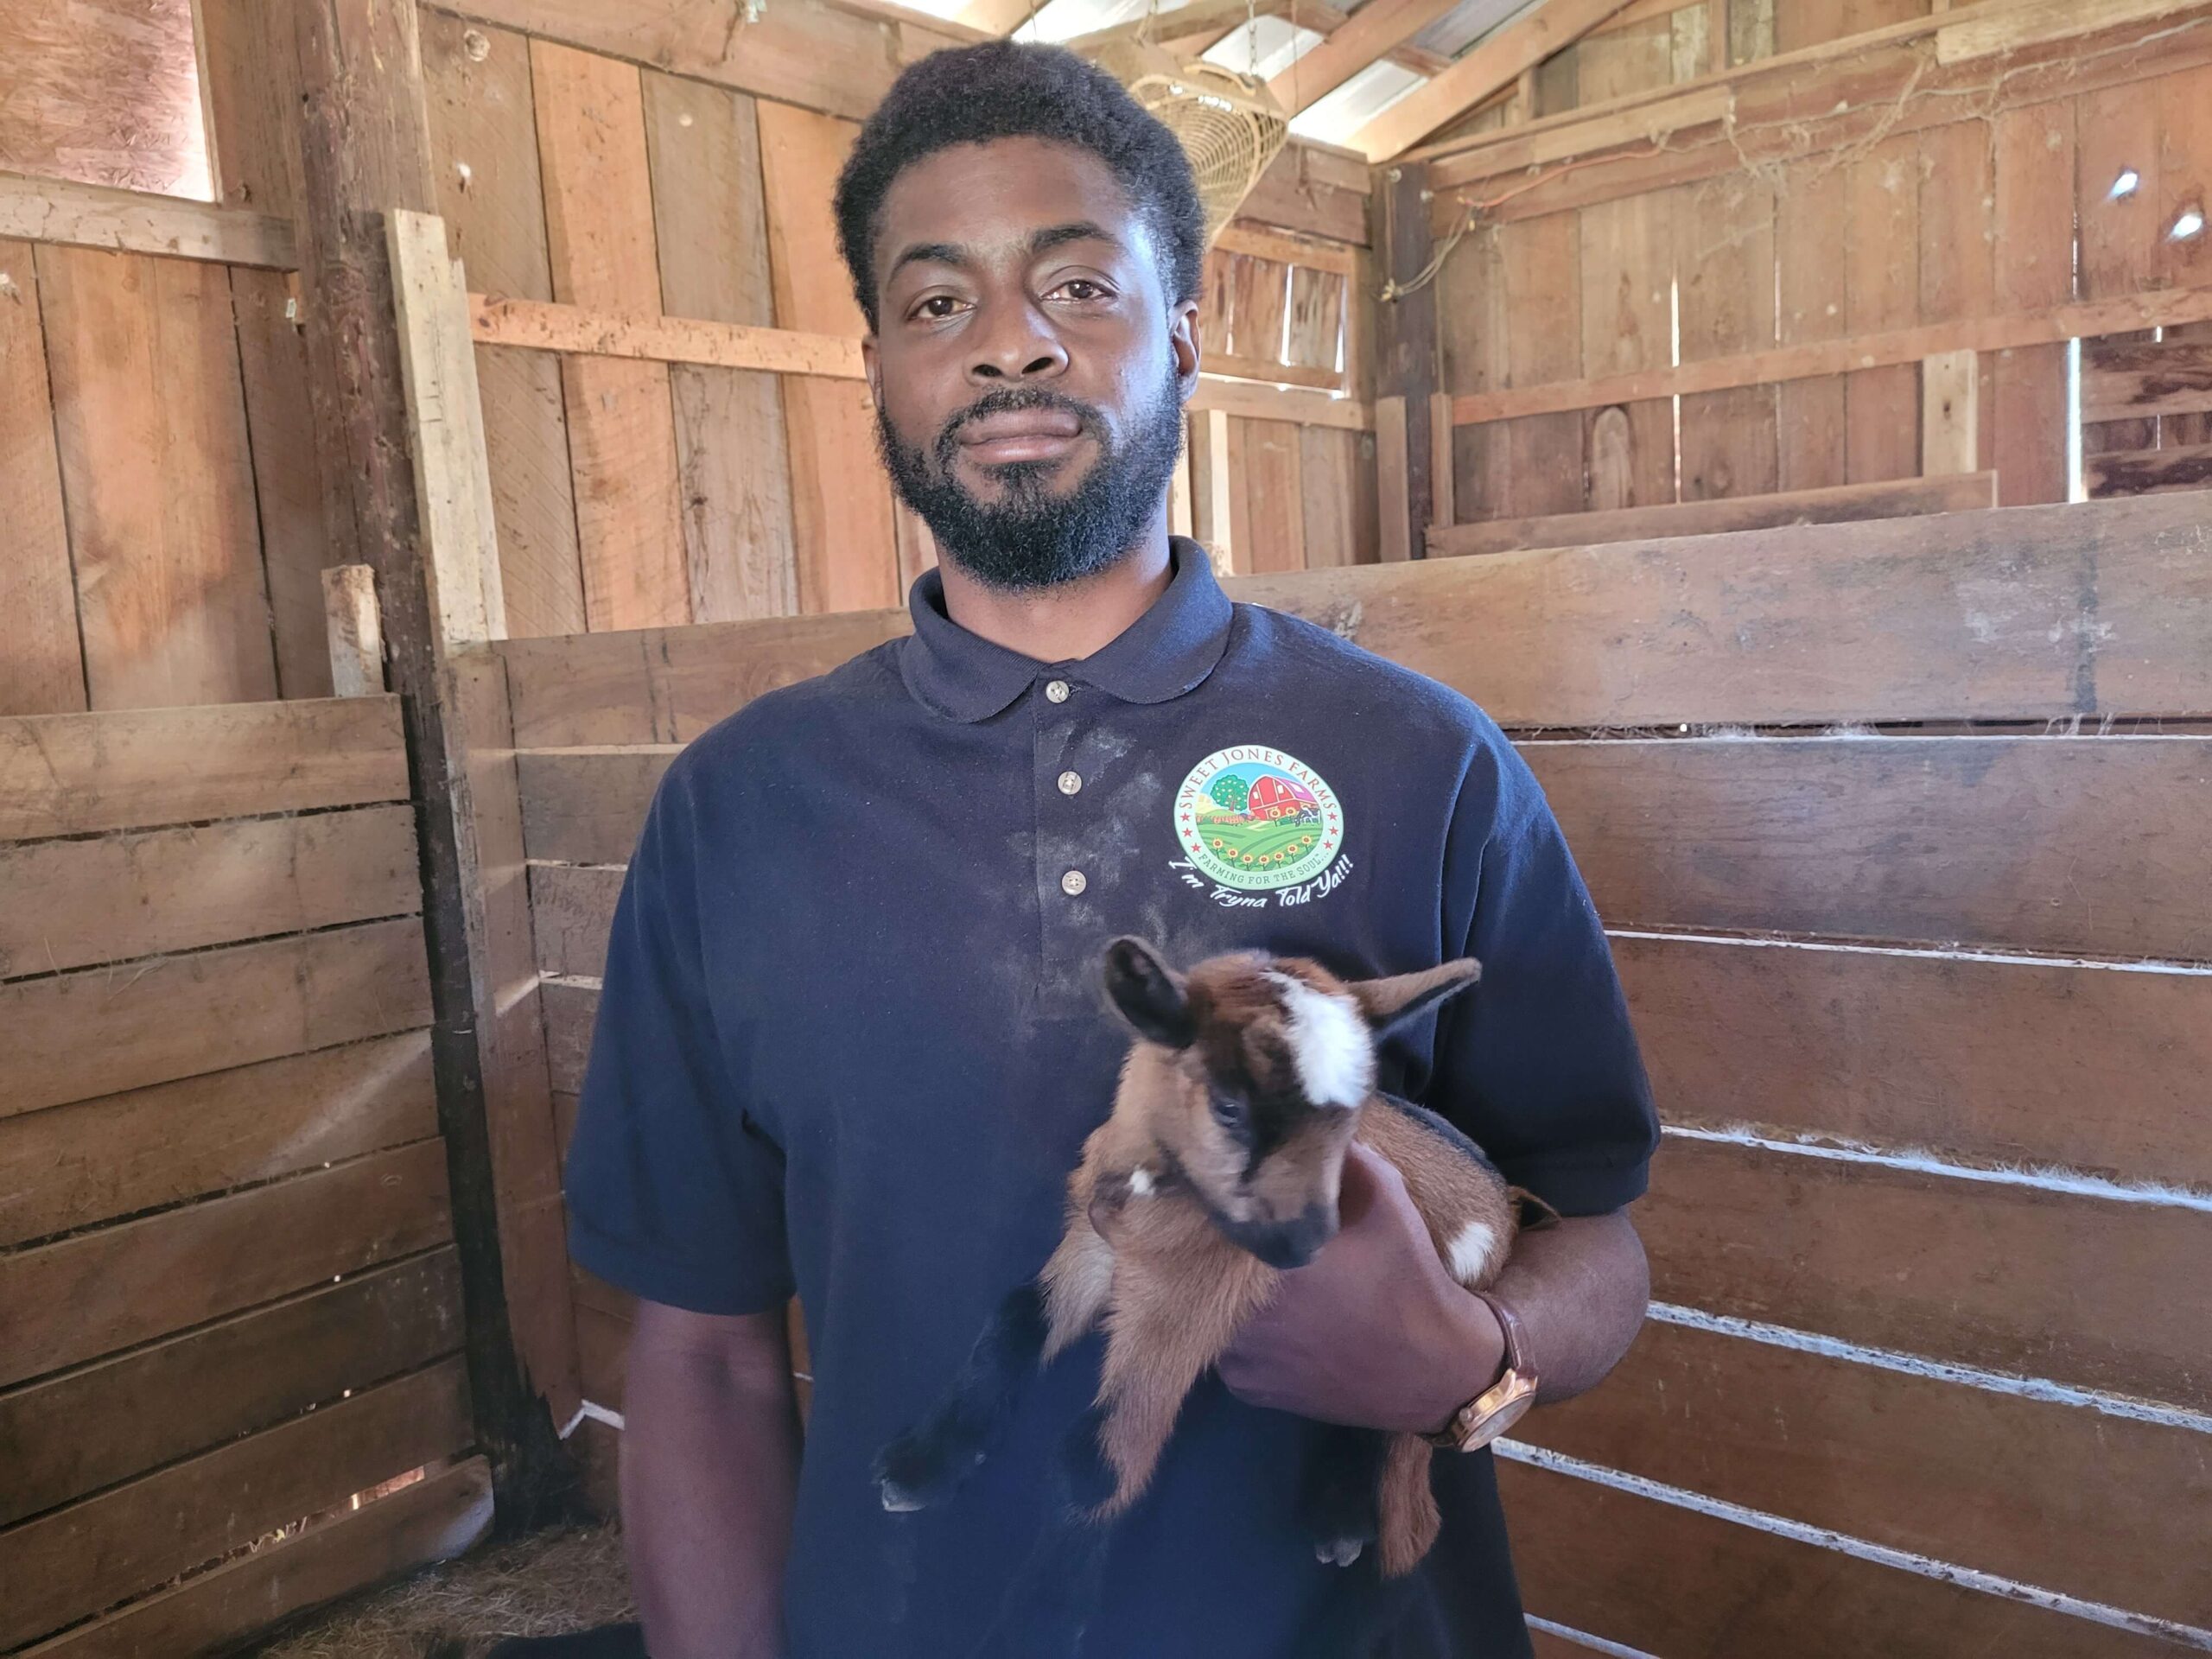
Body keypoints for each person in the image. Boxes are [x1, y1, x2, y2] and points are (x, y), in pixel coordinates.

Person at [563, 40, 1657, 1659]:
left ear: (1187, 336)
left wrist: (1473, 1362)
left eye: (1078, 284)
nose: (1009, 340)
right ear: (878, 363)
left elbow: (1600, 1236)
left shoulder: (1423, 760)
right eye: (939, 303)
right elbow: (706, 1355)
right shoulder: (739, 808)